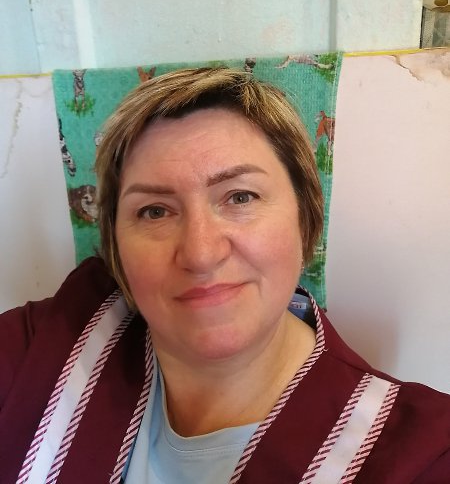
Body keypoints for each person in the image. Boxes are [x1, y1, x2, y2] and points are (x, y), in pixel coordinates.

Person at [0, 67, 449, 484]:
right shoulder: (36, 350)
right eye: (154, 211)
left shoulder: (423, 453)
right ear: (116, 246)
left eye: (240, 197)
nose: (200, 254)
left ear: (306, 219)